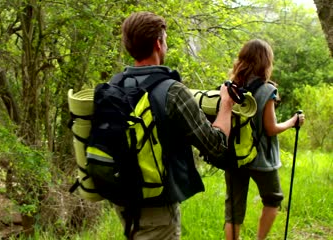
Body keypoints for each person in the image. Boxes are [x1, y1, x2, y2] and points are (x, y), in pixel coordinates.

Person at [112, 12, 234, 239]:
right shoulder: (172, 91)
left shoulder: (115, 85)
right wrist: (225, 105)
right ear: (159, 44)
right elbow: (215, 146)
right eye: (165, 39)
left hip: (123, 200)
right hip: (156, 207)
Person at [223, 39, 305, 240]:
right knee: (273, 199)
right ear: (265, 61)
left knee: (234, 210)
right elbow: (271, 128)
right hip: (262, 160)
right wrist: (293, 121)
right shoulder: (267, 90)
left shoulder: (230, 87)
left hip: (234, 157)